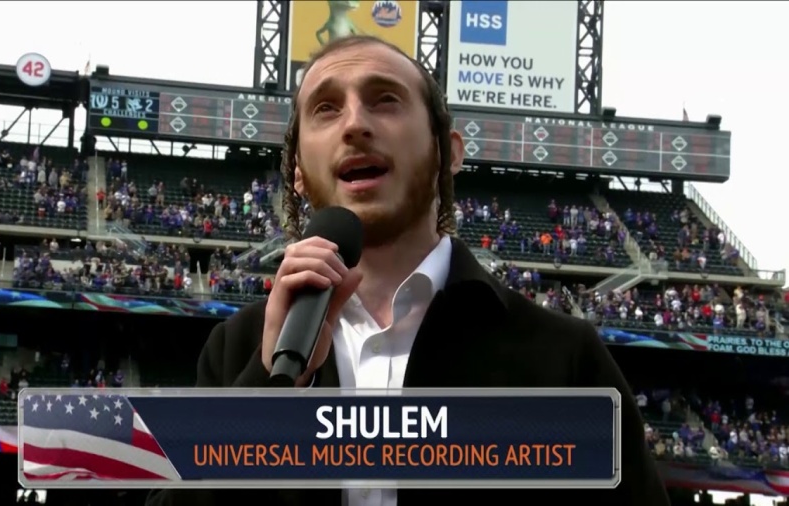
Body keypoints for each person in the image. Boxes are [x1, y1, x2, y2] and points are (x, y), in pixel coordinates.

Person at [147, 35, 670, 506]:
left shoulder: (564, 360)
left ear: (448, 152)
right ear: (298, 174)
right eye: (326, 109)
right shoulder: (237, 352)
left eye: (385, 100)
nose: (355, 124)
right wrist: (270, 387)